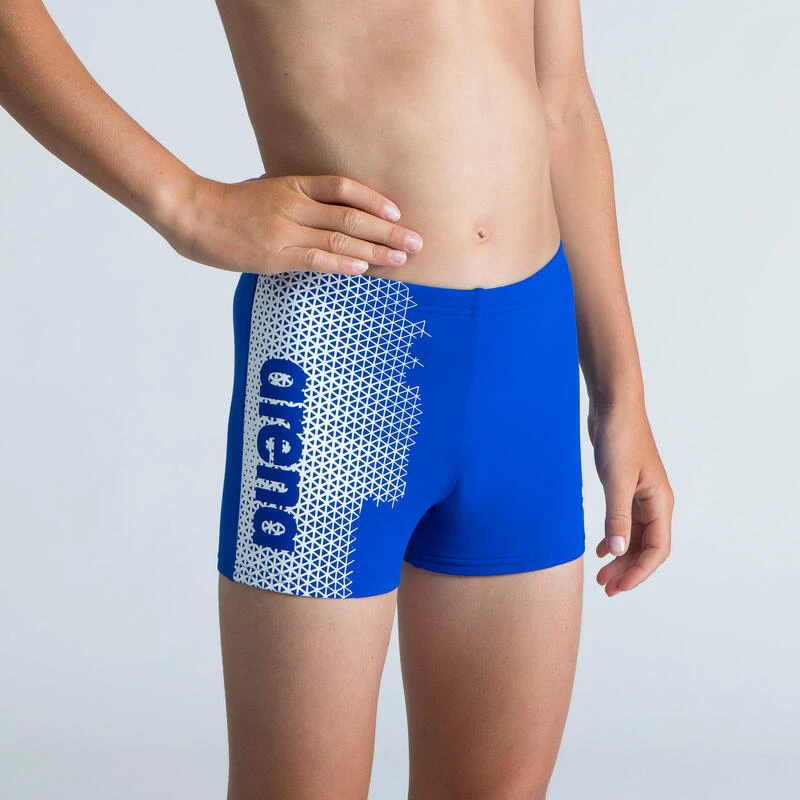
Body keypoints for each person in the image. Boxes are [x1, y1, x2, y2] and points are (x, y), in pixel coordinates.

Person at [0, 0, 675, 797]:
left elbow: (562, 103)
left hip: (529, 351)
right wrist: (183, 203)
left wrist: (621, 392)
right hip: (340, 348)